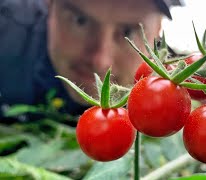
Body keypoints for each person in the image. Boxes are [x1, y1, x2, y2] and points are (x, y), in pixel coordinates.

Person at [0, 0, 181, 120]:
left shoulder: (173, 89)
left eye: (128, 32)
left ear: (157, 32)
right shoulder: (7, 28)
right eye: (80, 21)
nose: (100, 61)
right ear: (49, 3)